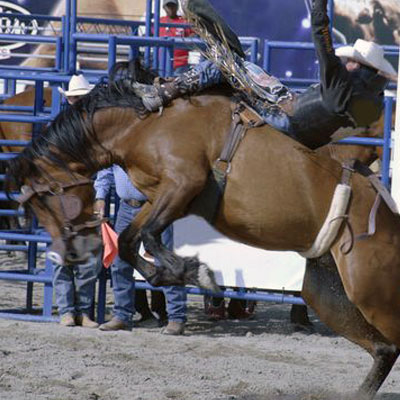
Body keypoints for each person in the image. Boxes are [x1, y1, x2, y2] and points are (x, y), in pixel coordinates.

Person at [141, 0, 396, 150]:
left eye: (352, 61)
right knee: (238, 62)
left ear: (359, 67)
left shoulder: (341, 85)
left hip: (283, 116)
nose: (346, 62)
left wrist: (319, 6)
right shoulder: (371, 103)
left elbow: (321, 36)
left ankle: (165, 92)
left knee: (226, 63)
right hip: (291, 111)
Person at [94, 165, 187, 335]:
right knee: (120, 261)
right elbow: (106, 170)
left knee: (163, 261)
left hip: (154, 205)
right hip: (127, 206)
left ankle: (176, 317)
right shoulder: (116, 141)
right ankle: (122, 315)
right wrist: (100, 195)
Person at [53, 74, 99, 328]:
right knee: (64, 257)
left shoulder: (93, 130)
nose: (77, 101)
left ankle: (79, 311)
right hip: (63, 198)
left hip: (83, 198)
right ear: (70, 100)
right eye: (75, 98)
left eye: (80, 98)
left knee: (86, 259)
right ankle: (69, 311)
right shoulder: (61, 129)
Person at [159, 0, 194, 76]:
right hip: (162, 64)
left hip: (181, 64)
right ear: (164, 8)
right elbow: (149, 34)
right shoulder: (160, 21)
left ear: (177, 7)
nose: (171, 8)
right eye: (169, 6)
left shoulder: (184, 21)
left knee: (179, 86)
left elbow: (193, 36)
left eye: (173, 6)